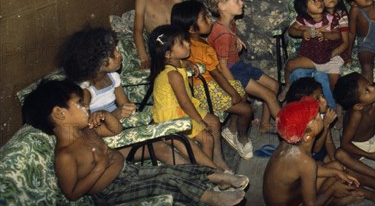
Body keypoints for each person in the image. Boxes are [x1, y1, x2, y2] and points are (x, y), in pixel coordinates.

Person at [21, 79, 247, 205]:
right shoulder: (66, 155)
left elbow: (116, 130)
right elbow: (71, 193)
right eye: (80, 104)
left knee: (171, 171)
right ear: (60, 115)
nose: (86, 107)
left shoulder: (86, 131)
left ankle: (215, 176)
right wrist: (99, 167)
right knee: (164, 180)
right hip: (112, 191)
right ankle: (212, 198)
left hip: (128, 172)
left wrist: (106, 115)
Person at [61, 27, 186, 165]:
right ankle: (204, 177)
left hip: (121, 129)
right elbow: (87, 130)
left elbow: (125, 104)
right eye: (113, 52)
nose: (119, 54)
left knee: (170, 135)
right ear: (97, 61)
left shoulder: (112, 77)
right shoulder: (85, 91)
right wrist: (114, 115)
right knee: (162, 148)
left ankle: (202, 171)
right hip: (109, 144)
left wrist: (129, 109)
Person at [171, 0, 254, 159]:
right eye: (204, 18)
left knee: (243, 95)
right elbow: (216, 74)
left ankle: (231, 130)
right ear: (191, 28)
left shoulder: (194, 43)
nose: (210, 20)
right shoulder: (200, 48)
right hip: (207, 89)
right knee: (246, 110)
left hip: (212, 84)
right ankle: (242, 138)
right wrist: (232, 93)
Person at [148, 24, 233, 172]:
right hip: (172, 116)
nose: (188, 44)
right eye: (181, 43)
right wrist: (199, 121)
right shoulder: (172, 74)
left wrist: (190, 63)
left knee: (213, 121)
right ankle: (208, 173)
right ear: (168, 54)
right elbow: (185, 103)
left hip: (180, 109)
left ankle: (218, 159)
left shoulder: (176, 63)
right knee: (207, 137)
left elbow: (183, 63)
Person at [285, 77, 375, 203]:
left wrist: (336, 161)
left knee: (344, 168)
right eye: (318, 99)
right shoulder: (302, 125)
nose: (324, 100)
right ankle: (373, 194)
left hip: (319, 161)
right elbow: (316, 148)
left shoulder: (319, 116)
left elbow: (328, 141)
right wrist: (326, 124)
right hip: (309, 168)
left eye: (322, 95)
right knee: (338, 176)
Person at [206, 0, 280, 134]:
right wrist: (235, 89)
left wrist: (236, 40)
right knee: (269, 95)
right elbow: (222, 65)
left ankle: (265, 124)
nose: (242, 3)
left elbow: (227, 39)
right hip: (232, 72)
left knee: (274, 85)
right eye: (236, 0)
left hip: (238, 65)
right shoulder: (222, 34)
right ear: (222, 6)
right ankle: (288, 130)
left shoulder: (229, 22)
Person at [263, 97, 364, 206]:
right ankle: (335, 201)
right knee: (333, 182)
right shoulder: (305, 162)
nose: (320, 115)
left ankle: (335, 198)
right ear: (307, 137)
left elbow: (308, 169)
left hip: (291, 193)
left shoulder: (289, 142)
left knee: (336, 167)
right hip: (290, 202)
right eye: (317, 117)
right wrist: (333, 189)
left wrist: (337, 172)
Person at [278, 0, 343, 110]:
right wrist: (302, 32)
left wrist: (326, 35)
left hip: (327, 56)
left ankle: (335, 109)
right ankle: (288, 87)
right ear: (306, 8)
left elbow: (337, 35)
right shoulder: (304, 20)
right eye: (314, 1)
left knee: (333, 84)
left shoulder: (330, 19)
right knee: (290, 65)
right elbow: (291, 30)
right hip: (311, 57)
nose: (319, 2)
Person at [134, 0, 183, 69]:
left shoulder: (176, 0)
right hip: (160, 49)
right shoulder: (143, 0)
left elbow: (183, 29)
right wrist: (144, 58)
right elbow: (137, 31)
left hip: (178, 47)